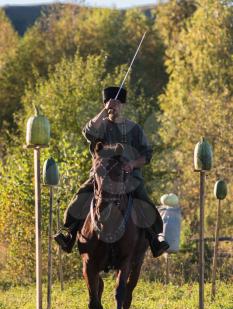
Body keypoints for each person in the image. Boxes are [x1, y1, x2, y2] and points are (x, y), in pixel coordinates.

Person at [54, 86, 169, 257]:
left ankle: (155, 240)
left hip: (129, 179)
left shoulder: (134, 129)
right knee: (79, 198)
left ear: (123, 105)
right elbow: (87, 132)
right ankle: (69, 235)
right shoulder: (99, 126)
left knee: (145, 202)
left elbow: (147, 154)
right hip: (100, 178)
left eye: (117, 104)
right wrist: (104, 110)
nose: (114, 108)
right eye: (110, 104)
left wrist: (132, 164)